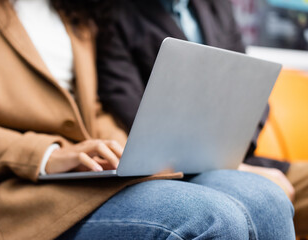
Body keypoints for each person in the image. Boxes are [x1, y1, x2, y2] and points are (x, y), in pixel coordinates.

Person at [0, 0, 295, 239]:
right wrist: (46, 154)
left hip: (88, 179)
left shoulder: (75, 12)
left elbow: (94, 110)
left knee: (267, 199)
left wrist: (131, 154)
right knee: (212, 218)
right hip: (10, 195)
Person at [96, 0, 308, 234]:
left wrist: (235, 157)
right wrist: (235, 167)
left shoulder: (217, 6)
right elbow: (138, 120)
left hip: (242, 158)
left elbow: (252, 87)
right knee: (260, 202)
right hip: (179, 173)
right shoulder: (116, 15)